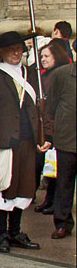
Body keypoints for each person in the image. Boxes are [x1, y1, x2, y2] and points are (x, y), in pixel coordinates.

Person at [0, 31, 50, 253]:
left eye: (19, 48)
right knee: (4, 187)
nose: (15, 52)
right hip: (3, 139)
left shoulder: (32, 75)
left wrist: (46, 136)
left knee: (24, 187)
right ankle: (1, 233)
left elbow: (42, 110)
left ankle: (15, 231)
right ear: (0, 52)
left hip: (28, 140)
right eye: (11, 48)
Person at [33, 40, 70, 214]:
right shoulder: (45, 75)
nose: (43, 59)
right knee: (50, 167)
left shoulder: (59, 75)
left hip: (57, 127)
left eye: (47, 56)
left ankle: (55, 202)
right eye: (41, 56)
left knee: (56, 168)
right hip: (46, 125)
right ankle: (49, 200)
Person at [45, 58, 75, 239]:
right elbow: (51, 104)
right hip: (67, 139)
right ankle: (63, 223)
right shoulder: (62, 74)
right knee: (64, 183)